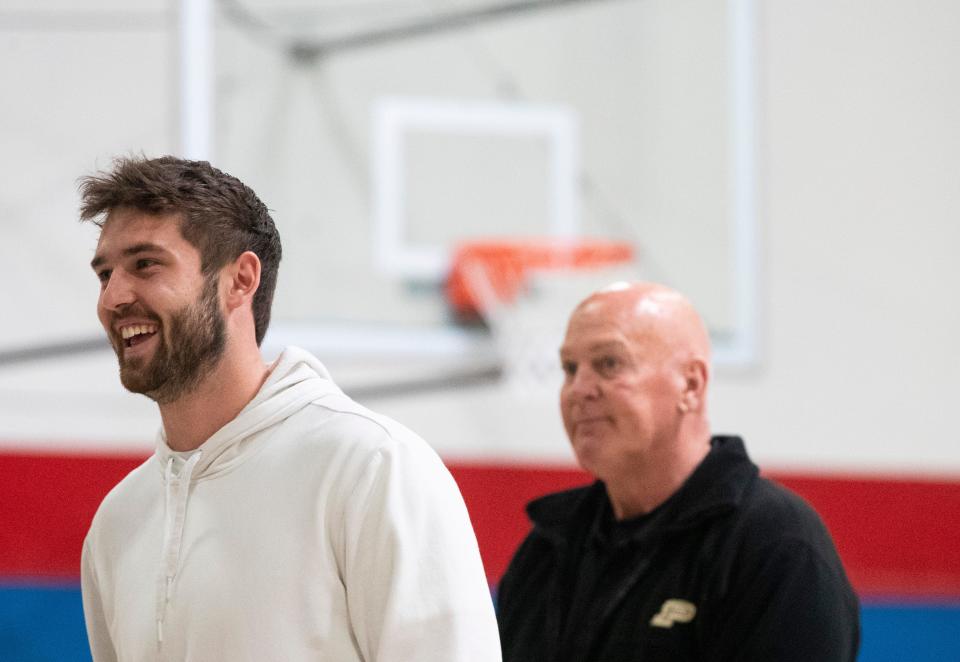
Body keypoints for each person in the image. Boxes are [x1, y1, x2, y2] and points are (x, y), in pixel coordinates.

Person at [78, 156, 501, 662]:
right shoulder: (118, 522)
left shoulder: (372, 467)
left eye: (146, 264)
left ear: (240, 279)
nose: (114, 297)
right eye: (105, 273)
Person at [497, 282, 859, 662]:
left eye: (609, 363)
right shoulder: (547, 549)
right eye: (570, 368)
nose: (579, 388)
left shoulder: (774, 544)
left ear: (691, 384)